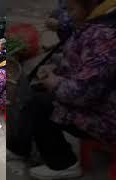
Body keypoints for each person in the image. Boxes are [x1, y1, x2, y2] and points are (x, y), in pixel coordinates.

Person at [8, 0, 116, 179]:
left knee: (40, 103)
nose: (67, 15)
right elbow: (80, 60)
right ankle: (20, 148)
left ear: (89, 5)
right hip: (96, 101)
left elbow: (83, 92)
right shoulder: (95, 23)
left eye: (71, 9)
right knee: (36, 91)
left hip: (105, 117)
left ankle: (64, 163)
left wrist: (55, 82)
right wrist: (55, 66)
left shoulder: (105, 35)